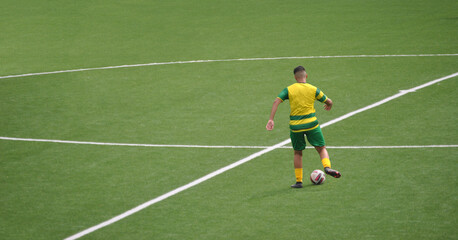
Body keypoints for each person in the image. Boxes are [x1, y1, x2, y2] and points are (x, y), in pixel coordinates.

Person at [266, 66, 341, 188]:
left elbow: (276, 101)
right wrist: (329, 105)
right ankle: (327, 168)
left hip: (296, 127)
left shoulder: (289, 89)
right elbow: (328, 101)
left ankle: (298, 181)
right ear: (306, 76)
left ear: (295, 78)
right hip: (312, 124)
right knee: (321, 148)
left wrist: (271, 119)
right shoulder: (313, 89)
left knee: (298, 153)